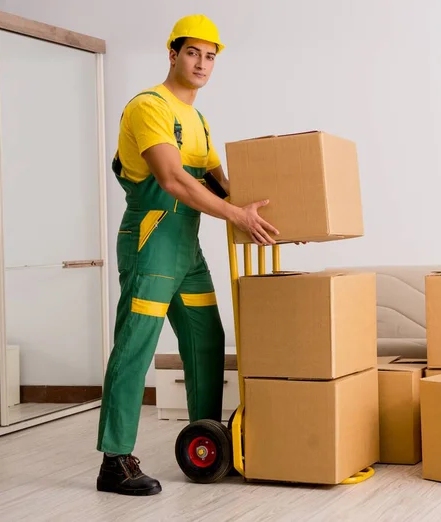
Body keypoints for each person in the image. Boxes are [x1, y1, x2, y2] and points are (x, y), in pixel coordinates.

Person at [96, 14, 279, 496]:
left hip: (187, 250)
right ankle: (115, 461)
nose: (201, 63)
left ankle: (207, 441)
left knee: (206, 339)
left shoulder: (198, 119)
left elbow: (220, 181)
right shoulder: (149, 107)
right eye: (193, 52)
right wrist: (237, 217)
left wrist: (271, 220)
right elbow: (173, 180)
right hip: (152, 242)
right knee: (136, 346)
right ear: (173, 54)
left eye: (210, 56)